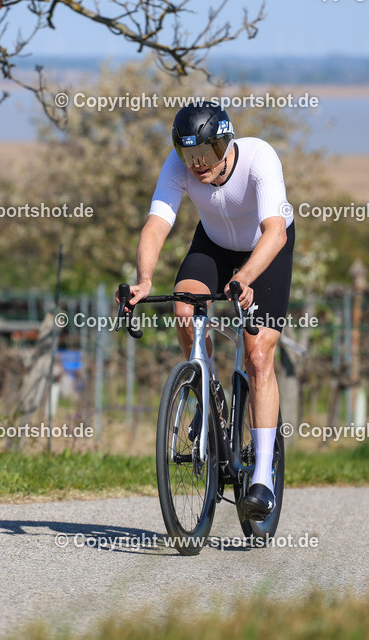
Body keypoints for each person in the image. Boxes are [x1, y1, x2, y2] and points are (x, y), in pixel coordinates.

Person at [126, 101, 295, 521]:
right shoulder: (178, 165)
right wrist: (144, 279)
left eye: (207, 153)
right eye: (189, 155)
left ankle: (262, 478)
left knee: (258, 355)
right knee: (184, 307)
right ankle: (205, 392)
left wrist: (246, 277)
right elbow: (156, 225)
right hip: (214, 243)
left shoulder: (259, 157)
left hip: (265, 247)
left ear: (226, 143)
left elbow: (274, 231)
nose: (197, 164)